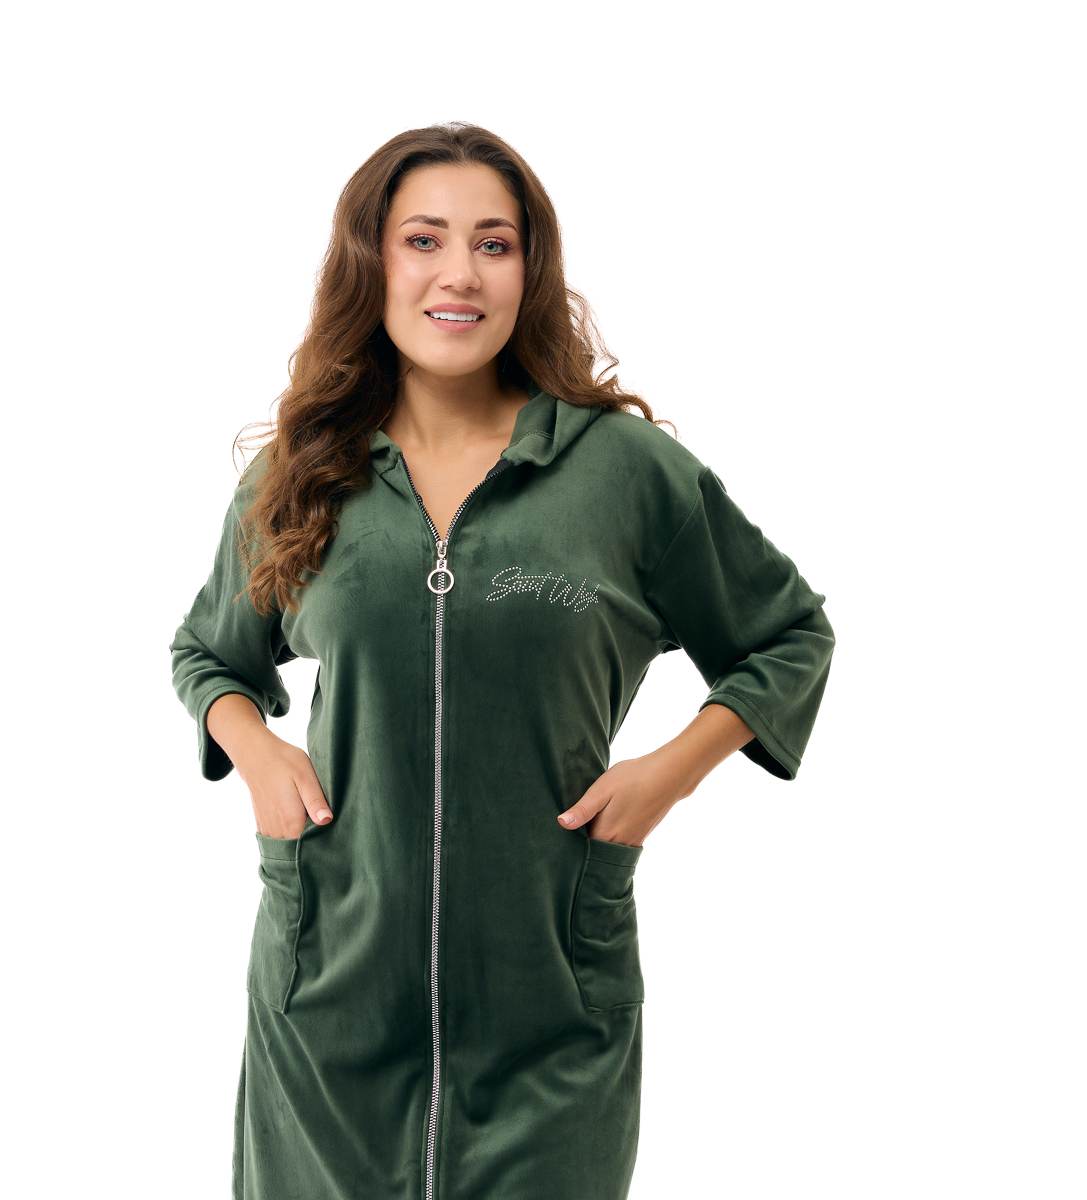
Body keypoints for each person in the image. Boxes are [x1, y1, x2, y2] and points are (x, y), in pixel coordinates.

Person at [170, 121, 835, 1200]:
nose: (460, 274)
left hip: (554, 998)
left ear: (531, 271)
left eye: (494, 243)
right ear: (371, 263)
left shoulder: (622, 472)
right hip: (330, 990)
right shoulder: (305, 470)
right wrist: (255, 750)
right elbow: (209, 652)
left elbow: (788, 633)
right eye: (422, 240)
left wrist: (669, 773)